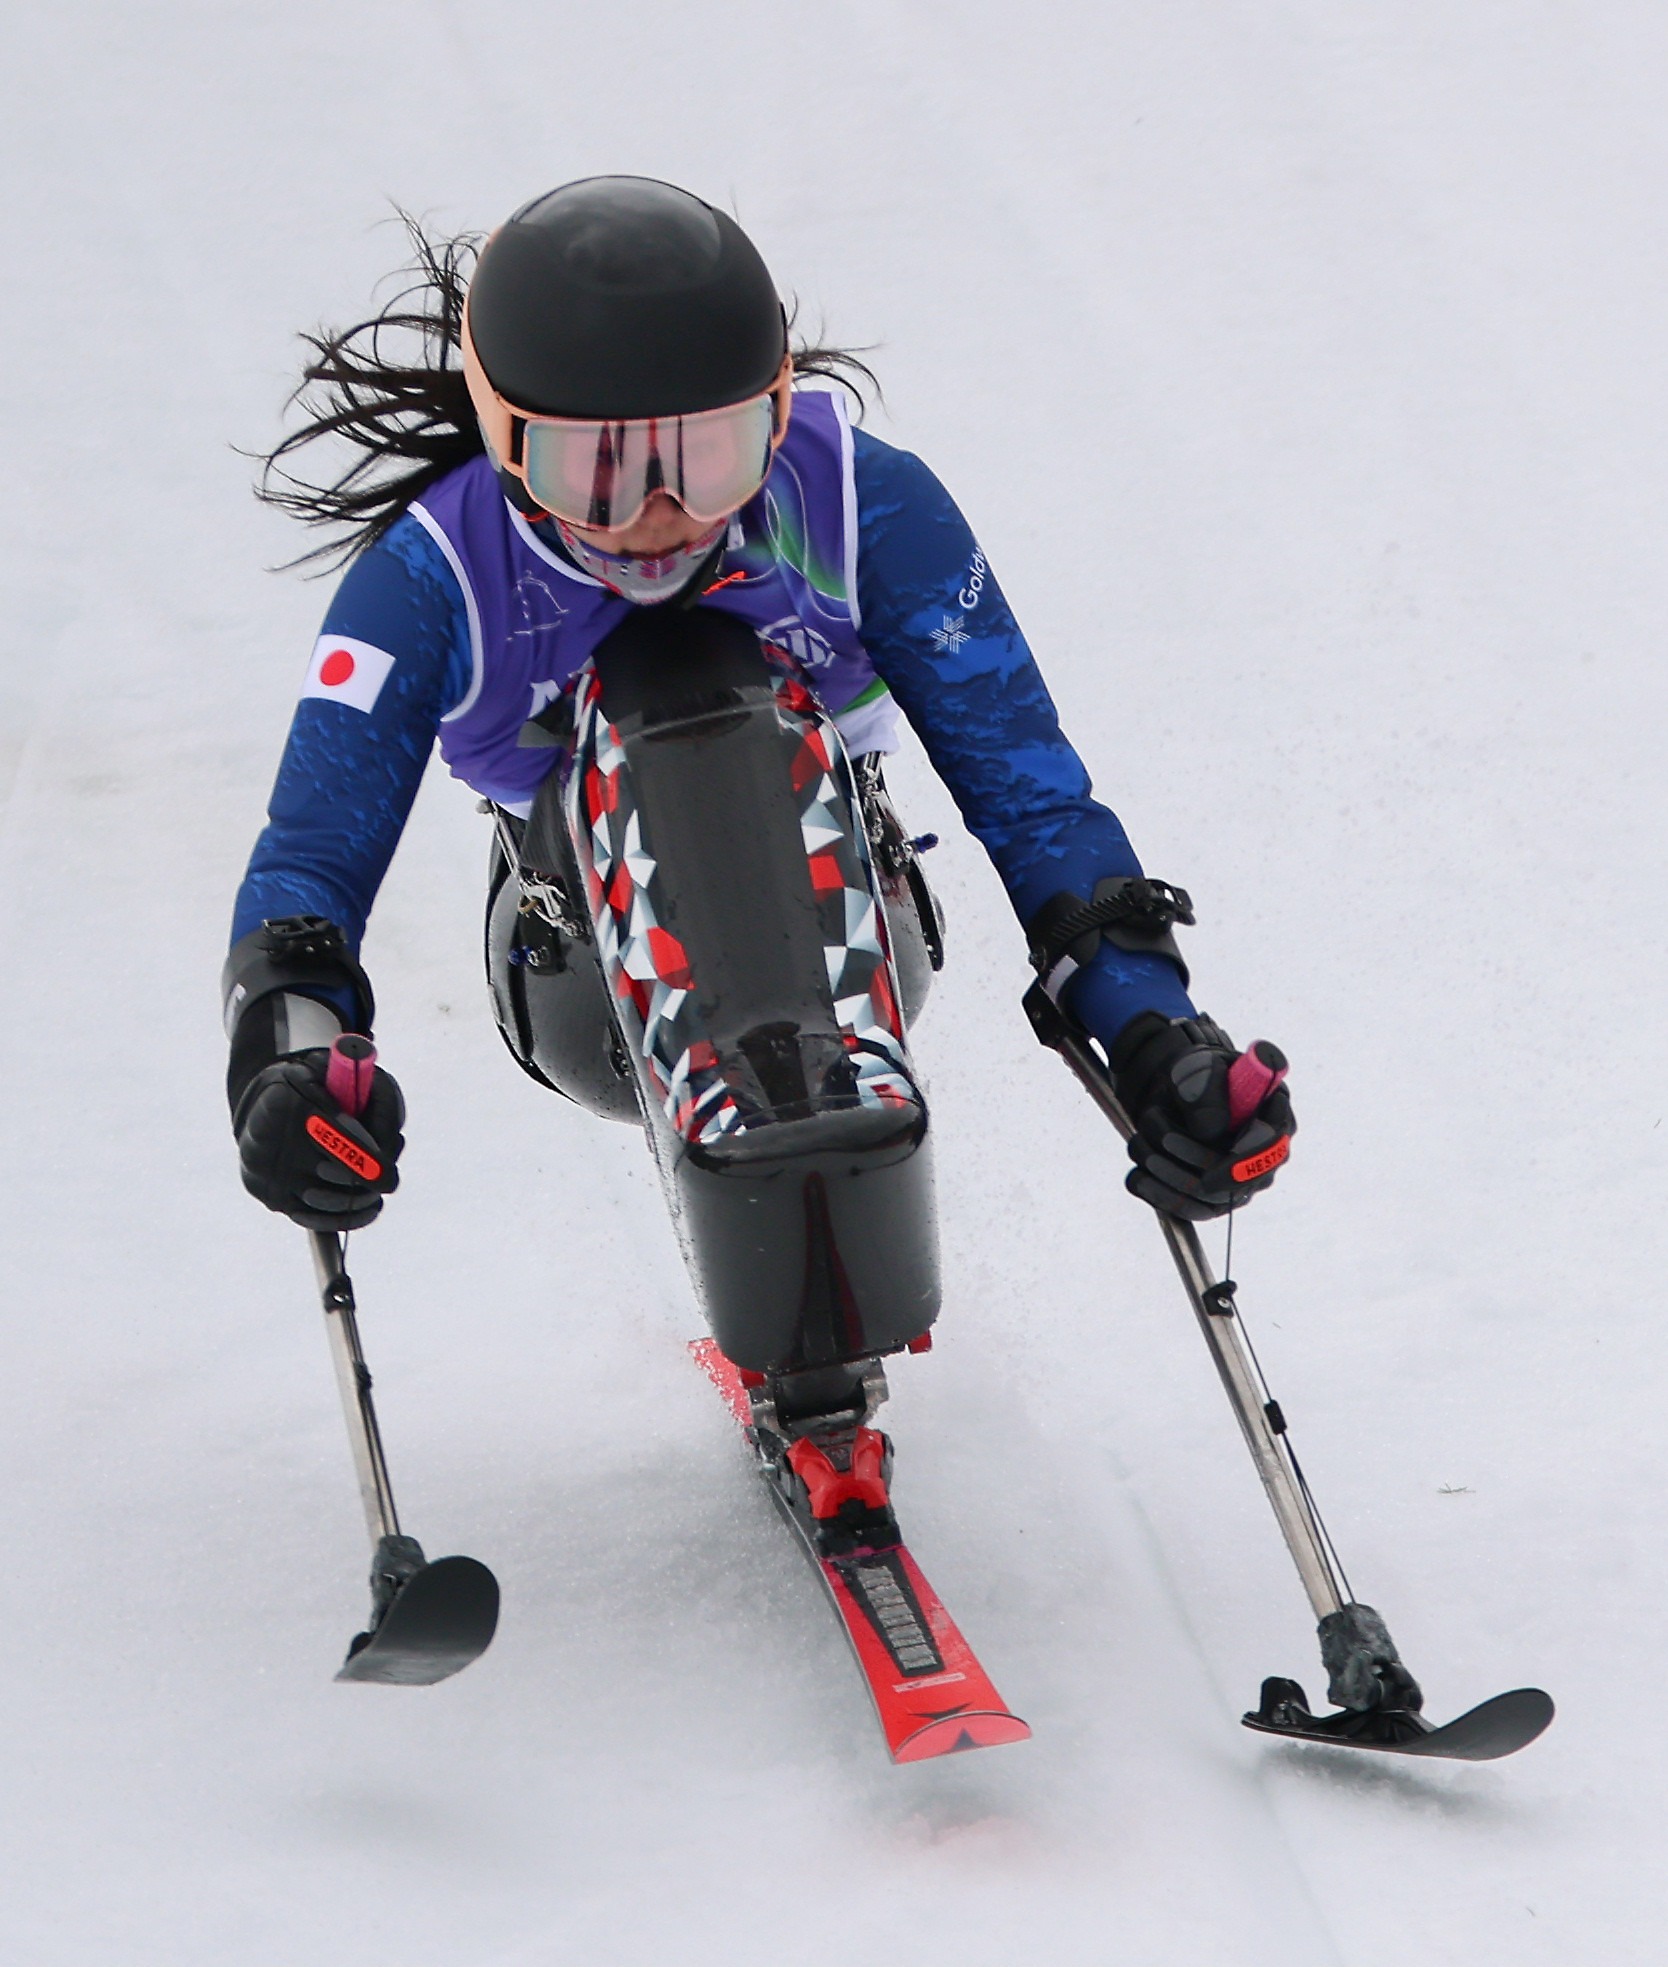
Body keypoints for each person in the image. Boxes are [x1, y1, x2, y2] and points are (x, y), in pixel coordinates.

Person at [226, 175, 1294, 1514]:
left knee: (726, 680)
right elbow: (308, 868)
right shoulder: (432, 577)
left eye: (714, 455)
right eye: (595, 470)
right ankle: (777, 1170)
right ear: (505, 442)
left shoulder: (864, 507)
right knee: (662, 682)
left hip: (855, 933)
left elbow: (1032, 796)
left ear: (779, 413)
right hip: (583, 982)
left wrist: (1153, 1031)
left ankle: (819, 1163)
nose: (659, 514)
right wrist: (295, 1062)